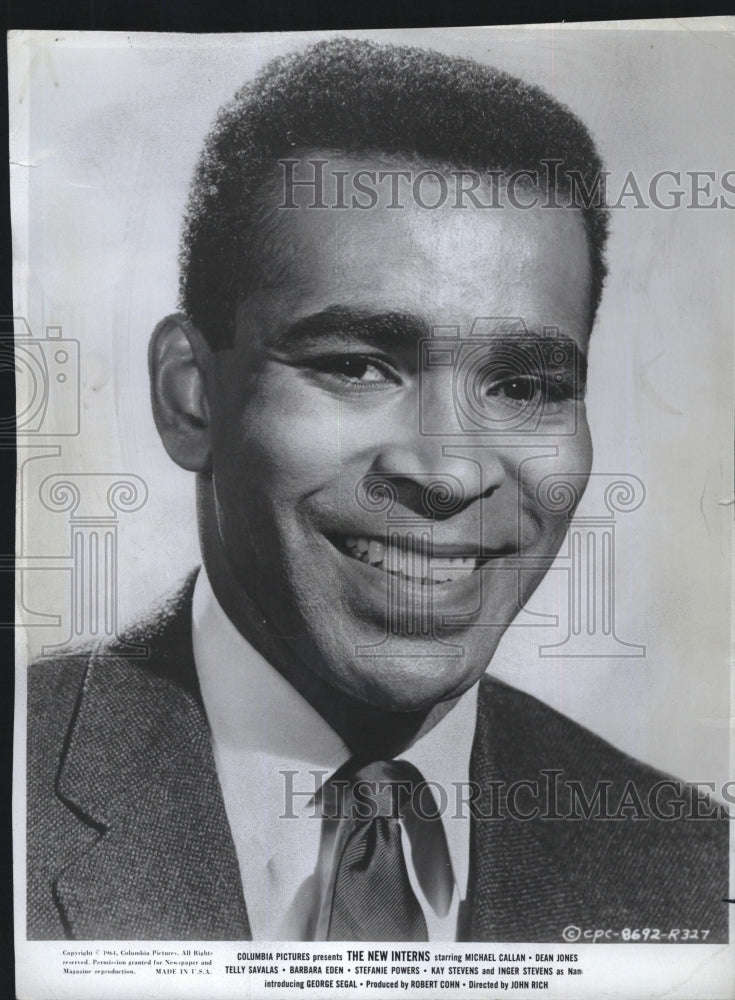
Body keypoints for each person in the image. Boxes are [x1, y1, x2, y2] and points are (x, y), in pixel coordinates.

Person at [27, 36, 728, 942]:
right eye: (358, 366)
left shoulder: (693, 874)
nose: (447, 472)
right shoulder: (23, 778)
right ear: (190, 396)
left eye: (524, 387)